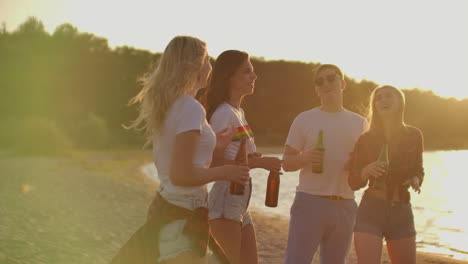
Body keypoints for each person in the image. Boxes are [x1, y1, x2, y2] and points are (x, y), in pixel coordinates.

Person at [110, 36, 250, 264]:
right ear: (194, 65)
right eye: (207, 60)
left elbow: (185, 161)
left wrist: (217, 143)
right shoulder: (191, 108)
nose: (210, 66)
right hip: (184, 212)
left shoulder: (170, 103)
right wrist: (226, 172)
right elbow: (182, 175)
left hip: (172, 206)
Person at [282, 64, 368, 264]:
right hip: (310, 202)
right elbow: (286, 163)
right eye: (320, 81)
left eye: (331, 78)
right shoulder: (304, 119)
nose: (326, 83)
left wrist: (357, 165)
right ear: (316, 89)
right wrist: (305, 158)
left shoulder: (360, 123)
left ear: (343, 83)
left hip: (346, 204)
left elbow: (365, 164)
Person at [202, 50, 282, 264]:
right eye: (247, 72)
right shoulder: (223, 114)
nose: (254, 77)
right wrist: (260, 162)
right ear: (230, 76)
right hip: (226, 197)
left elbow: (238, 157)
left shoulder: (238, 112)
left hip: (240, 200)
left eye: (253, 72)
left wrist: (251, 158)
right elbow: (212, 163)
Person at [348, 85, 424, 264]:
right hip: (371, 210)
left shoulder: (413, 135)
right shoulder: (366, 140)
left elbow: (418, 169)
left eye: (389, 96)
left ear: (400, 103)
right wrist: (366, 171)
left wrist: (416, 180)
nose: (383, 100)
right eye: (379, 98)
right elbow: (353, 182)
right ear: (375, 106)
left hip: (401, 211)